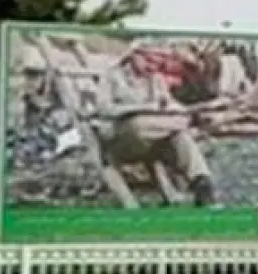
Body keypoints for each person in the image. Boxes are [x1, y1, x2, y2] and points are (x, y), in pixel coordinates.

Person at [92, 42, 218, 207]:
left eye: (156, 62)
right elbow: (103, 108)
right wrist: (143, 108)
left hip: (154, 139)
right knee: (140, 124)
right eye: (149, 60)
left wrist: (176, 108)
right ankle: (178, 125)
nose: (152, 66)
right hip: (123, 139)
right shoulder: (112, 76)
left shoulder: (155, 78)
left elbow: (167, 103)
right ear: (134, 56)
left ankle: (201, 183)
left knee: (181, 137)